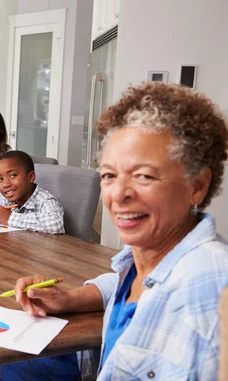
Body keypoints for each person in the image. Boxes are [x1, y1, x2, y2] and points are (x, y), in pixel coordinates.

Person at [14, 83, 228, 380]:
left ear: (197, 186)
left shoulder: (213, 291)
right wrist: (68, 299)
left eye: (144, 176)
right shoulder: (141, 261)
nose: (119, 194)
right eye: (109, 175)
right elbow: (123, 284)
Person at [0, 150, 64, 233]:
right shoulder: (4, 199)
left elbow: (56, 225)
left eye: (13, 175)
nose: (5, 184)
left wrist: (9, 218)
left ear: (30, 177)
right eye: (0, 179)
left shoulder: (45, 201)